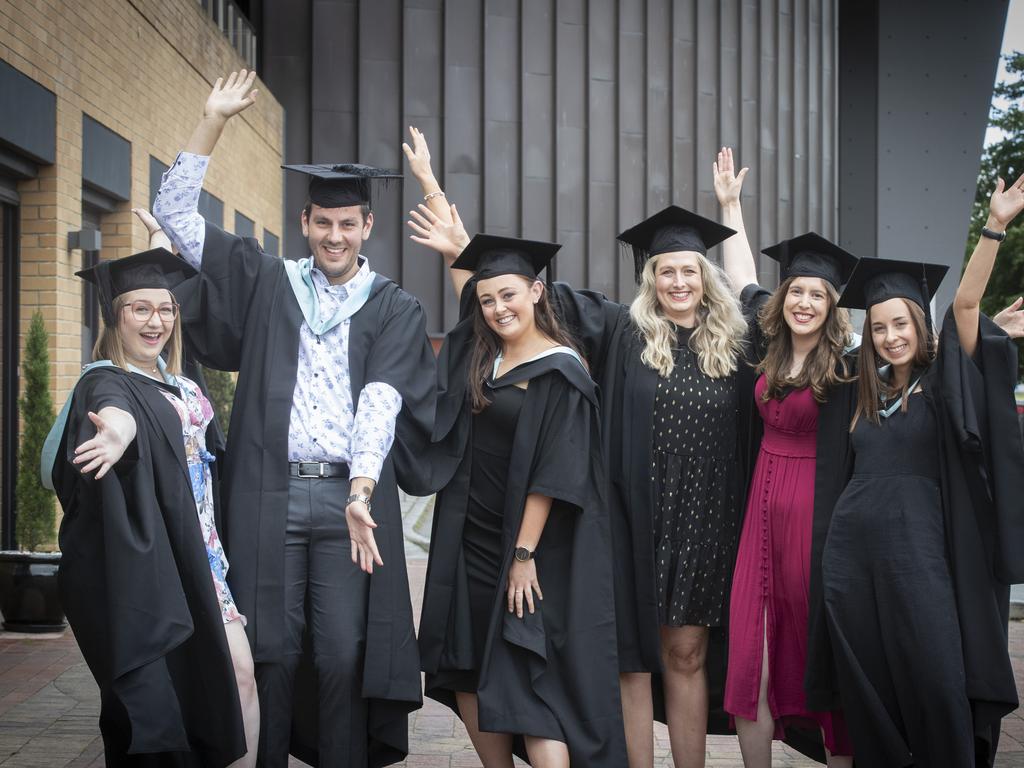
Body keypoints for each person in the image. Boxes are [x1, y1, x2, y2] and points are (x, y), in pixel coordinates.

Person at [405, 160, 753, 766]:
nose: (677, 282)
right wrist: (462, 247)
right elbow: (520, 297)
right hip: (626, 520)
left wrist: (732, 211)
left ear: (705, 277)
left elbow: (755, 293)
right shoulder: (621, 327)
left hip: (702, 525)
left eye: (689, 271)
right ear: (650, 278)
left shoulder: (733, 343)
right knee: (630, 659)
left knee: (688, 653)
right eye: (665, 271)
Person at [153, 71, 440, 767]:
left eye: (348, 223)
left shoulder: (393, 307)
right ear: (305, 222)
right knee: (272, 652)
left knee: (343, 654)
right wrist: (212, 120)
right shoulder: (267, 280)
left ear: (366, 226)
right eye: (322, 222)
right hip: (268, 494)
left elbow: (382, 400)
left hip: (348, 497)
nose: (334, 236)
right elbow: (174, 215)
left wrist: (364, 491)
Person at [822, 173, 1024, 766]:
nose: (889, 337)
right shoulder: (857, 394)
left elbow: (965, 305)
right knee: (872, 689)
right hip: (852, 563)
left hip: (922, 561)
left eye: (900, 324)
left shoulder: (941, 389)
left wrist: (995, 226)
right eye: (878, 327)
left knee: (936, 681)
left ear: (919, 325)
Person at [416, 234, 627, 767]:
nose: (497, 308)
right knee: (466, 664)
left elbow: (556, 471)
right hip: (468, 538)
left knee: (530, 681)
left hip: (527, 548)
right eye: (488, 300)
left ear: (537, 291)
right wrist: (450, 250)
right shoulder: (482, 356)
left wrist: (523, 555)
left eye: (508, 295)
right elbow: (473, 297)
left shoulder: (561, 370)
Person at [48, 243, 258, 767]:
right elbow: (115, 413)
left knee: (240, 675)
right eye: (139, 308)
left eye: (164, 308)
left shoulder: (182, 382)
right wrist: (117, 435)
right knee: (173, 691)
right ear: (115, 316)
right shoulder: (104, 380)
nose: (155, 320)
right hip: (158, 560)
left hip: (205, 553)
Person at [713, 147, 855, 766]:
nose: (802, 302)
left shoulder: (848, 369)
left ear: (830, 307)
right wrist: (729, 208)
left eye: (815, 296)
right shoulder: (767, 344)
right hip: (761, 509)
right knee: (752, 650)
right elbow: (743, 275)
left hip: (814, 515)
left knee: (817, 644)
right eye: (795, 290)